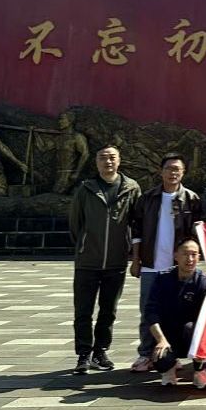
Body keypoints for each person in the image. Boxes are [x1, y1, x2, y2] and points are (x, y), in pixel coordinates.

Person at [68, 145, 141, 374]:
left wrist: (131, 253)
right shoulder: (85, 188)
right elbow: (75, 223)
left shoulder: (131, 188)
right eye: (103, 158)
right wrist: (84, 245)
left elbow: (136, 223)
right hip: (87, 261)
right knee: (83, 311)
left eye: (112, 157)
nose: (108, 162)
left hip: (116, 261)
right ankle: (83, 354)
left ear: (119, 161)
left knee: (109, 311)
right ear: (96, 162)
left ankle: (100, 351)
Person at [128, 152, 203, 373]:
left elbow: (197, 233)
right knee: (148, 311)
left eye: (177, 169)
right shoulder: (148, 198)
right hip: (151, 264)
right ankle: (145, 354)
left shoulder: (191, 199)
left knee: (176, 313)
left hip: (178, 267)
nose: (173, 173)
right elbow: (137, 230)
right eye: (169, 168)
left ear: (183, 172)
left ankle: (170, 354)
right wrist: (136, 259)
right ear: (161, 172)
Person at [145, 238, 206, 388]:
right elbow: (151, 312)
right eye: (185, 254)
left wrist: (202, 344)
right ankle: (168, 369)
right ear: (175, 256)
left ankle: (200, 371)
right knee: (161, 357)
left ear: (199, 257)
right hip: (168, 333)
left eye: (194, 254)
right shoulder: (162, 278)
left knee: (192, 329)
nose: (190, 259)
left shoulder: (203, 282)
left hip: (192, 334)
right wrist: (161, 340)